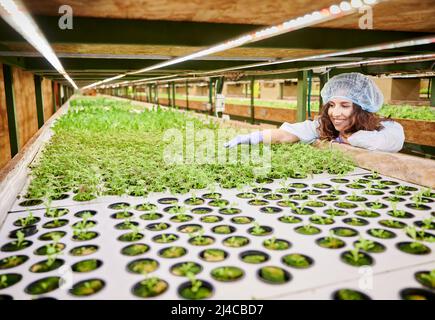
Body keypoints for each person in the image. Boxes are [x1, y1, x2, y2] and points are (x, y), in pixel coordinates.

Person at [224, 72, 405, 153]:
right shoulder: (324, 126)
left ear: (361, 108)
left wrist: (350, 137)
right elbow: (286, 135)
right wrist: (254, 137)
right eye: (332, 105)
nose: (335, 112)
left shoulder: (389, 128)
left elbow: (389, 143)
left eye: (344, 105)